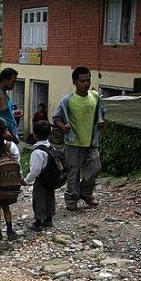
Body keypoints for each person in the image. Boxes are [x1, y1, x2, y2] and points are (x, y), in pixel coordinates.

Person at [53, 66, 105, 211]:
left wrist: (101, 122)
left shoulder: (95, 97)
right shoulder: (68, 100)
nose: (86, 83)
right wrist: (63, 127)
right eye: (83, 81)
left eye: (88, 80)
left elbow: (101, 113)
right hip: (73, 141)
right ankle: (71, 199)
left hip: (91, 140)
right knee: (73, 173)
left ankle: (85, 193)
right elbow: (56, 118)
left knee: (96, 167)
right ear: (75, 82)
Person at [22, 120, 55, 231]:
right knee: (50, 198)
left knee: (39, 199)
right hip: (51, 178)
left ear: (35, 135)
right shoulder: (51, 147)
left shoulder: (37, 152)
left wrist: (27, 180)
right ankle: (49, 218)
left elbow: (35, 170)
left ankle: (38, 221)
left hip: (41, 179)